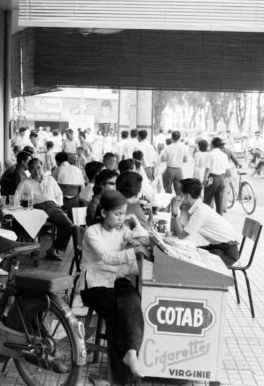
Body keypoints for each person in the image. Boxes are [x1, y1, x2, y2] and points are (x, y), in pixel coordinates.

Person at [78, 190, 151, 384]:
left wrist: (135, 221)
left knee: (134, 302)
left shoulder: (122, 230)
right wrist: (133, 252)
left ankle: (130, 354)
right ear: (103, 213)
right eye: (117, 214)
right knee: (119, 315)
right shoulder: (92, 232)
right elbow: (107, 257)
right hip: (93, 284)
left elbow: (144, 240)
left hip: (117, 279)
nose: (121, 218)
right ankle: (123, 374)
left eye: (123, 214)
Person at [169, 179, 240, 266]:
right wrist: (174, 212)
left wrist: (174, 211)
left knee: (190, 260)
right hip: (218, 247)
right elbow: (174, 231)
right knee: (187, 253)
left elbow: (181, 235)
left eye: (179, 193)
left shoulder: (200, 211)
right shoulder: (191, 207)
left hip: (228, 253)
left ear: (186, 196)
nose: (177, 195)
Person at [15, 158, 73, 261]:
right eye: (32, 168)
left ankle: (52, 249)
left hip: (53, 207)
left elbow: (59, 194)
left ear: (42, 167)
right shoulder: (25, 183)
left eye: (38, 167)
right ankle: (33, 246)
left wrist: (58, 205)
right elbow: (16, 199)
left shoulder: (50, 179)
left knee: (68, 225)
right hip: (36, 208)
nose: (36, 171)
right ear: (28, 170)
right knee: (34, 223)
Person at [203, 137, 230, 215]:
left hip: (212, 178)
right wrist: (221, 177)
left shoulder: (210, 154)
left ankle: (205, 219)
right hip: (221, 179)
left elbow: (207, 169)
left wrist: (205, 179)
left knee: (207, 201)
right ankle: (219, 221)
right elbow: (228, 170)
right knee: (219, 203)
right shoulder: (224, 155)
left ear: (212, 144)